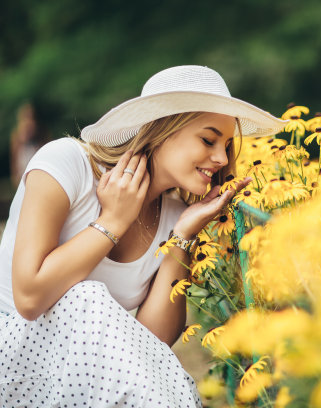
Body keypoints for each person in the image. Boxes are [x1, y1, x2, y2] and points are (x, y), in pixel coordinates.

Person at [0, 65, 285, 406]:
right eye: (208, 140)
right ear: (163, 130)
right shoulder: (67, 164)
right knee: (86, 298)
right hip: (15, 359)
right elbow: (30, 299)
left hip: (88, 380)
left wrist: (183, 234)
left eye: (226, 145)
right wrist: (114, 221)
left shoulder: (176, 216)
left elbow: (152, 343)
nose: (222, 158)